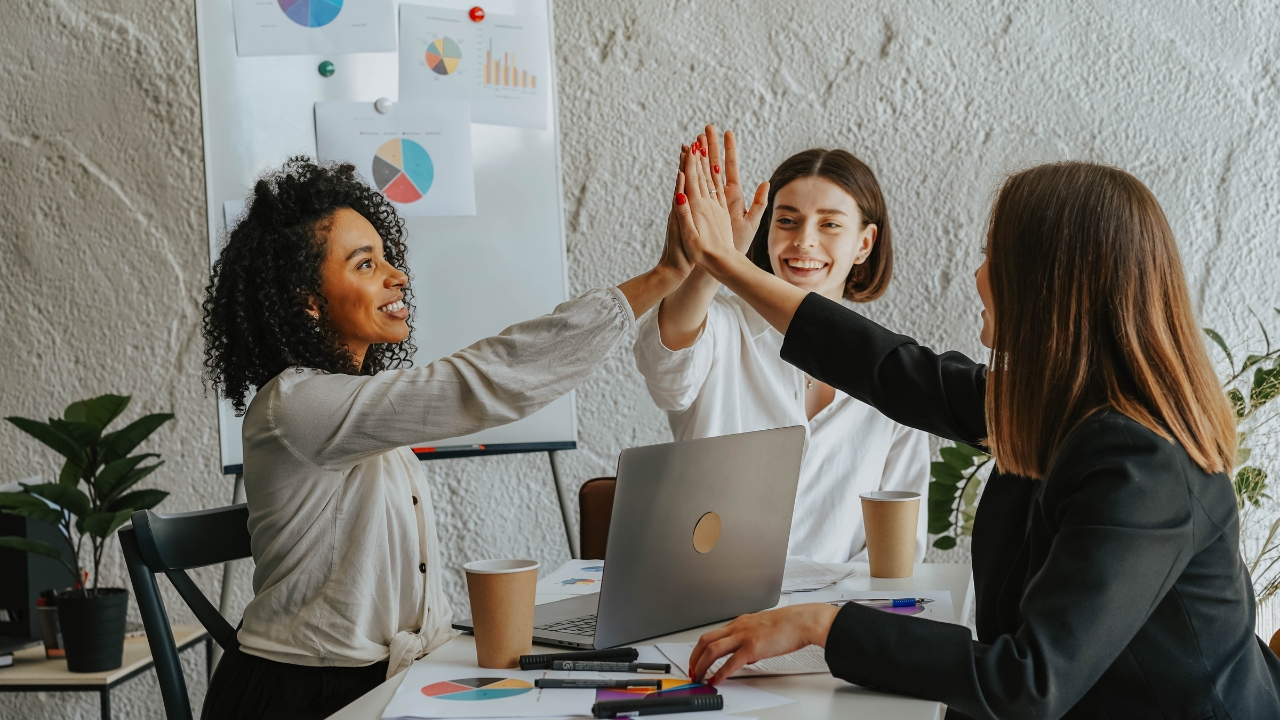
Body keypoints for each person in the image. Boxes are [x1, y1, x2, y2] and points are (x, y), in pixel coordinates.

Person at [670, 144, 1280, 718]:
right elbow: (888, 368)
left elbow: (1027, 684)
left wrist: (821, 624)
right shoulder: (1061, 406)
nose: (979, 276)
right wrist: (726, 264)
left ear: (1050, 287)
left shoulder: (1142, 463)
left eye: (994, 257)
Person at [198, 157, 692, 720]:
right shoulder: (297, 405)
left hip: (382, 680)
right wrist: (663, 275)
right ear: (307, 299)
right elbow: (478, 383)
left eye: (387, 257)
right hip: (300, 697)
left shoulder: (354, 407)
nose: (397, 275)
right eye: (365, 264)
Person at [633, 127, 929, 563]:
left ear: (864, 243)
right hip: (708, 611)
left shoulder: (894, 370)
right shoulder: (720, 327)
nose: (804, 240)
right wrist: (716, 258)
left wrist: (827, 623)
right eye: (786, 220)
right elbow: (665, 368)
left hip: (831, 620)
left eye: (829, 224)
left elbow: (899, 548)